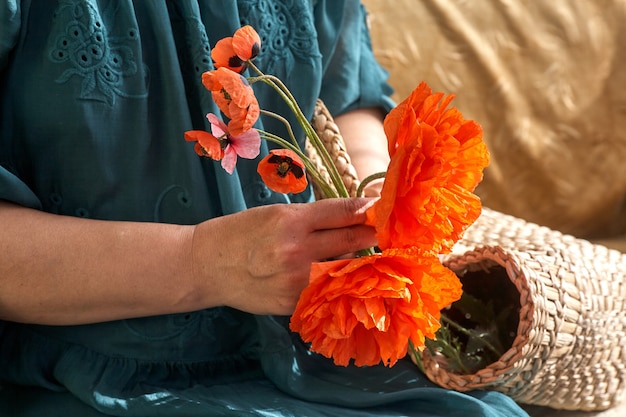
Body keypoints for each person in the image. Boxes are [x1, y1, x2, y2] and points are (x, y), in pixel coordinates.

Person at [0, 1, 529, 416]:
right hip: (83, 377)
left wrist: (375, 202)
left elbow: (346, 96)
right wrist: (202, 261)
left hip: (322, 357)